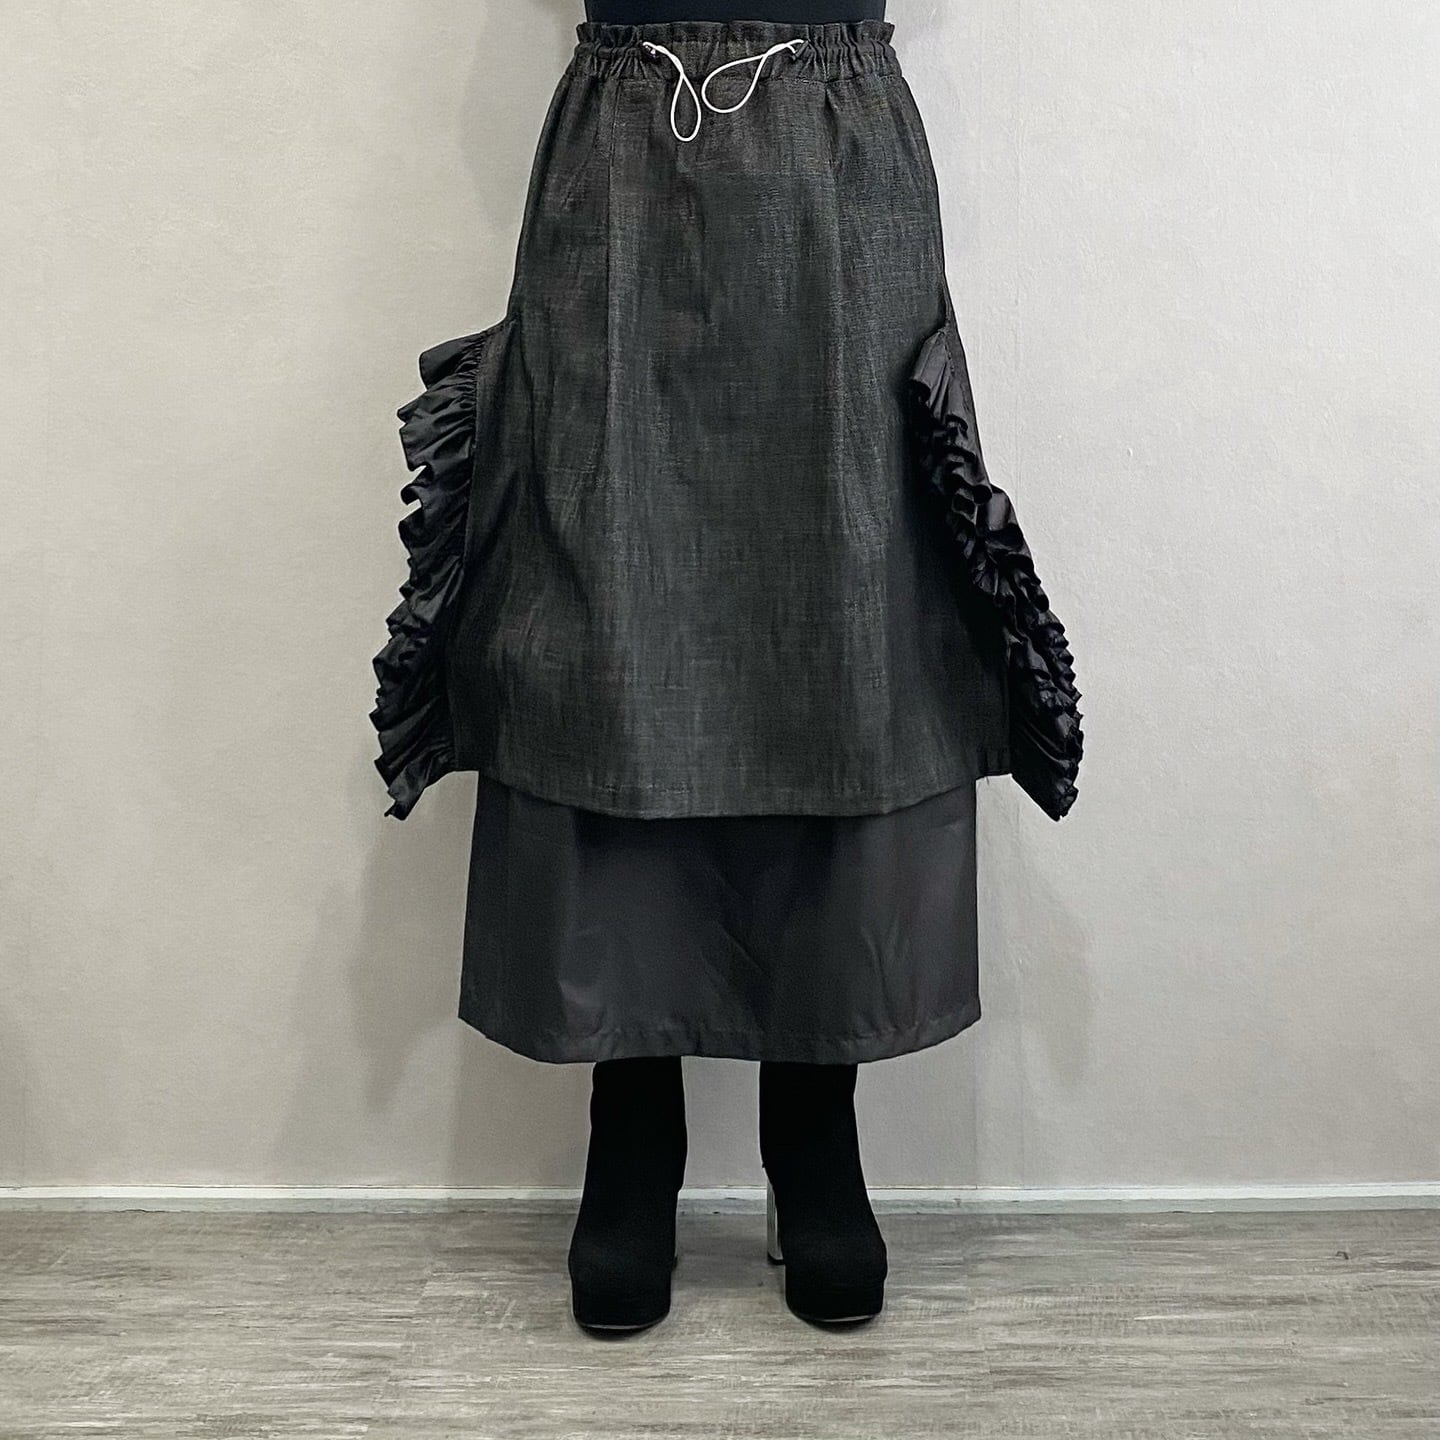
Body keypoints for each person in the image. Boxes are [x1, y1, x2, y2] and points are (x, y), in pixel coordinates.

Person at [371, 0, 1082, 1333]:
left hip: (838, 154)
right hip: (624, 152)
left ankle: (815, 1128)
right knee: (606, 629)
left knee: (845, 628)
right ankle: (632, 1129)